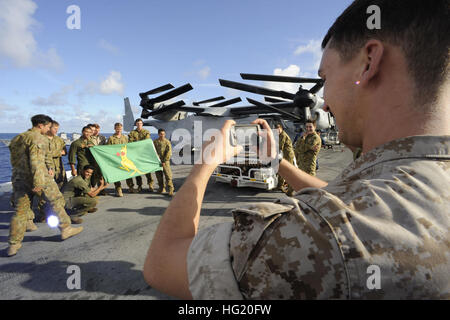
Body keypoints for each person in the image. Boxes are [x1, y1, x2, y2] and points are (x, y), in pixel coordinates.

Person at [143, 0, 450, 299]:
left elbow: (160, 265)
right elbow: (350, 195)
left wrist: (205, 164)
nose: (325, 102)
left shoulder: (318, 235)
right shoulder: (417, 184)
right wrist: (279, 163)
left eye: (326, 78)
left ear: (368, 62)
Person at [8, 114, 83, 256]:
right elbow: (36, 161)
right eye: (48, 126)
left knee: (20, 211)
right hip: (39, 177)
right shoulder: (38, 138)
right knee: (56, 201)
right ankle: (66, 228)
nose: (49, 129)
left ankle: (13, 244)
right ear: (40, 125)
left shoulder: (17, 138)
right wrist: (38, 182)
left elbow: (15, 161)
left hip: (19, 178)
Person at [36, 120, 68, 222]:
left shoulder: (59, 140)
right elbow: (43, 154)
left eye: (57, 129)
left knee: (62, 188)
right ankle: (44, 214)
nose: (56, 131)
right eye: (54, 128)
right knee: (44, 193)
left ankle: (61, 211)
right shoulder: (41, 140)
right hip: (46, 169)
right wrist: (58, 153)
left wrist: (55, 153)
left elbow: (65, 152)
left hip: (59, 168)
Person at [126, 118, 154, 193]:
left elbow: (146, 141)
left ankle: (150, 185)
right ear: (135, 124)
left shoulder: (146, 132)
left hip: (144, 154)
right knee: (137, 171)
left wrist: (137, 143)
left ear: (142, 124)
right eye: (138, 123)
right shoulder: (132, 133)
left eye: (140, 123)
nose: (139, 125)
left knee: (147, 170)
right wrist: (138, 143)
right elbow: (130, 142)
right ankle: (139, 185)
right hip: (135, 155)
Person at [106, 122, 129, 197]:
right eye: (117, 128)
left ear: (122, 129)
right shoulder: (111, 138)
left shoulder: (125, 138)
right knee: (116, 174)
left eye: (120, 128)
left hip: (124, 158)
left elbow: (128, 147)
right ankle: (118, 189)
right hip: (115, 158)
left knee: (128, 172)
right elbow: (109, 149)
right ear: (114, 129)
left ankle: (130, 186)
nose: (119, 130)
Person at [275, 123, 295, 196]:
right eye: (276, 130)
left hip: (288, 154)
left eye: (278, 130)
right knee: (281, 169)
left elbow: (280, 146)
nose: (277, 131)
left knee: (288, 171)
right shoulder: (279, 135)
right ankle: (279, 185)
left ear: (281, 129)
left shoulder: (283, 135)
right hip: (284, 154)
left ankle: (290, 189)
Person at [153, 128, 174, 197]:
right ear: (158, 134)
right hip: (157, 161)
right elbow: (153, 151)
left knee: (168, 175)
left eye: (163, 134)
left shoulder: (167, 142)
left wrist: (164, 161)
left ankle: (171, 189)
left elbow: (169, 152)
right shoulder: (155, 142)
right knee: (159, 176)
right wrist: (156, 160)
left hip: (165, 162)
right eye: (161, 134)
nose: (162, 135)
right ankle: (161, 188)